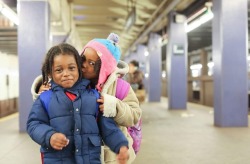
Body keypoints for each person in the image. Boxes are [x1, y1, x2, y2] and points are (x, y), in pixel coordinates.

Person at [31, 33, 142, 164]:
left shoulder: (121, 87)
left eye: (91, 63)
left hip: (111, 157)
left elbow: (134, 115)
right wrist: (41, 89)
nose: (83, 65)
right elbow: (51, 97)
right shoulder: (74, 81)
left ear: (104, 67)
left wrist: (113, 106)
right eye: (82, 58)